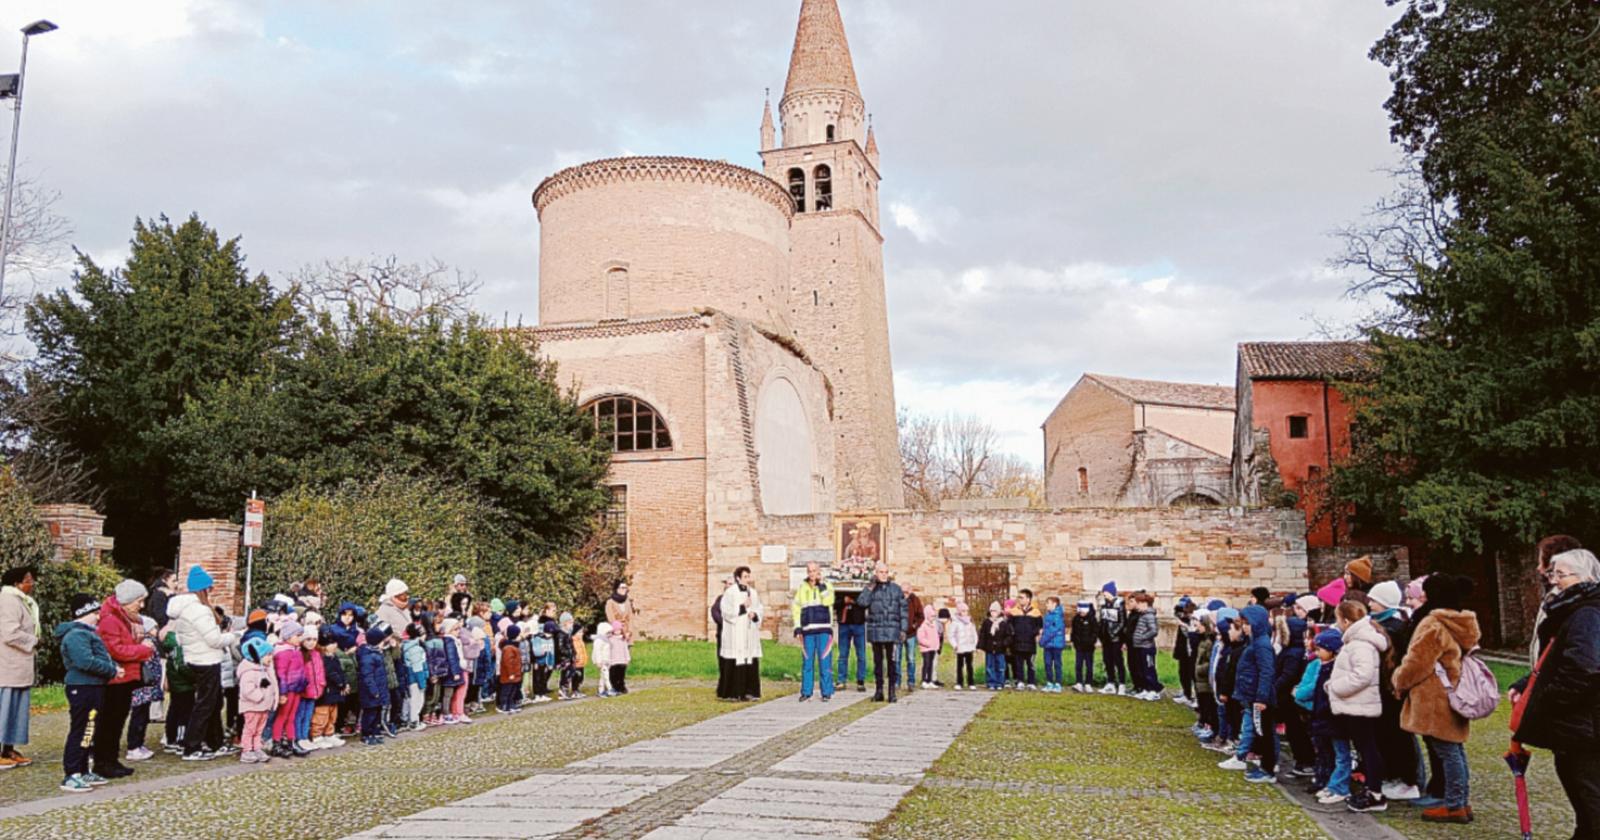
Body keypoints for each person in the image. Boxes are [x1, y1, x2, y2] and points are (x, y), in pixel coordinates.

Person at [1511, 548, 1600, 837]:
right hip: (1576, 725)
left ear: (1585, 577)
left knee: (1589, 798)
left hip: (1584, 726)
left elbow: (1583, 668)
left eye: (1560, 574)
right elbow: (1555, 659)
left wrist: (1548, 699)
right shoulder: (1574, 612)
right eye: (1553, 574)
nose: (1553, 581)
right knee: (1583, 800)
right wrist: (1527, 684)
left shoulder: (1587, 613)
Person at [1390, 572, 1480, 824]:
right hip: (1452, 689)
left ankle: (1454, 804)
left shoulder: (1433, 623)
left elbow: (1418, 661)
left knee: (1447, 750)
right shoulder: (1459, 621)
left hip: (1434, 694)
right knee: (1454, 749)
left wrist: (1398, 680)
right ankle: (1459, 800)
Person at [168, 565, 237, 761]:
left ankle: (215, 742)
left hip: (195, 658)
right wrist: (233, 636)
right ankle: (192, 746)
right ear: (204, 589)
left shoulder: (185, 610)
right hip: (206, 660)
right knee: (205, 705)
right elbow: (214, 640)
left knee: (212, 703)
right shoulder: (199, 611)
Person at [1328, 599, 1390, 812]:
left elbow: (1362, 675)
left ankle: (1375, 793)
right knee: (1365, 747)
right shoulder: (1356, 641)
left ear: (1346, 621)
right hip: (1356, 704)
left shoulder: (1360, 644)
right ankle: (1372, 789)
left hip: (1360, 704)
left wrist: (1336, 687)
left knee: (1368, 748)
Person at [90, 579, 154, 780]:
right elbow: (115, 650)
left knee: (116, 722)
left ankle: (111, 759)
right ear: (127, 600)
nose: (141, 606)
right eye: (139, 601)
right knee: (110, 722)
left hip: (125, 677)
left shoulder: (122, 617)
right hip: (115, 679)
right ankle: (104, 762)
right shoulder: (111, 619)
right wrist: (143, 650)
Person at [56, 593, 119, 792]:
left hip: (93, 686)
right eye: (95, 613)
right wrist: (112, 670)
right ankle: (71, 774)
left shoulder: (87, 633)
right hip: (83, 688)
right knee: (81, 729)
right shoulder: (76, 635)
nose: (99, 617)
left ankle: (83, 770)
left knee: (89, 729)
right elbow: (85, 661)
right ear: (83, 613)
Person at [0, 566, 40, 770]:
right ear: (16, 583)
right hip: (8, 665)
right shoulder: (8, 600)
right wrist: (34, 641)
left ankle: (8, 749)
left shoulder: (21, 601)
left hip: (19, 665)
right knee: (5, 709)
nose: (31, 584)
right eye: (27, 580)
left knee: (16, 710)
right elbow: (10, 633)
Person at [854, 561, 908, 702]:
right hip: (876, 629)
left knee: (892, 663)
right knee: (878, 663)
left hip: (892, 631)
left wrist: (903, 629)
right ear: (876, 573)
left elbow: (903, 610)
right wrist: (870, 588)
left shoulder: (896, 589)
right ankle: (879, 691)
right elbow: (861, 602)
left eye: (885, 572)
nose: (884, 575)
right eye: (881, 572)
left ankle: (892, 692)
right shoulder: (871, 588)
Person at [791, 562, 836, 702]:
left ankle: (826, 692)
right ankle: (806, 692)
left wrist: (821, 586)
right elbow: (796, 608)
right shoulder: (802, 588)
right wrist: (797, 626)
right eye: (809, 571)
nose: (812, 574)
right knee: (807, 662)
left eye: (814, 571)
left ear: (819, 571)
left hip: (824, 629)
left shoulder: (827, 585)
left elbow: (829, 601)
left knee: (825, 662)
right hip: (807, 631)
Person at [717, 567, 763, 701]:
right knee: (735, 660)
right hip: (735, 633)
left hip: (749, 632)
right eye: (745, 577)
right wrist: (742, 607)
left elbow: (759, 608)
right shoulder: (730, 593)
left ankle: (750, 692)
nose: (748, 579)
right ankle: (734, 693)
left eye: (749, 576)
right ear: (738, 578)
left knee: (749, 660)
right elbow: (726, 611)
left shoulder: (753, 592)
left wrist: (755, 614)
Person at [236, 636, 277, 763]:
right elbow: (247, 690)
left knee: (259, 730)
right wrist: (260, 696)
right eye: (268, 655)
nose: (271, 658)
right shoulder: (249, 672)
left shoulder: (264, 670)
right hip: (253, 707)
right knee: (250, 729)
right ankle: (247, 750)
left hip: (263, 707)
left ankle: (257, 747)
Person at [356, 622, 392, 745]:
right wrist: (374, 691)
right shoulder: (368, 657)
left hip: (379, 690)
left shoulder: (377, 654)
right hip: (371, 693)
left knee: (377, 713)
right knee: (369, 714)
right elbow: (368, 677)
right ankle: (366, 734)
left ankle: (375, 732)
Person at [1096, 583, 1128, 695]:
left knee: (1118, 661)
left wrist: (1114, 633)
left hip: (1115, 638)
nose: (1104, 594)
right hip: (1105, 638)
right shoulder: (1104, 605)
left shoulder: (1119, 604)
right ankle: (1110, 682)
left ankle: (1122, 684)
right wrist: (1101, 634)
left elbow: (1122, 622)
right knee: (1107, 660)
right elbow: (1102, 620)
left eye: (1106, 592)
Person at [1129, 592, 1161, 700]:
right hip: (1140, 646)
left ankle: (1154, 690)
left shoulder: (1149, 615)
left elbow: (1153, 631)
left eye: (1138, 603)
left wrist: (1142, 637)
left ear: (1144, 603)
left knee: (1149, 669)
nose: (1137, 606)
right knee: (1142, 669)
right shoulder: (1142, 615)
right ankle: (1146, 689)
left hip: (1147, 647)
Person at [1009, 589, 1042, 690]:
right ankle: (1020, 681)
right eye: (1018, 597)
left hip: (1030, 643)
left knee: (1030, 663)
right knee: (1018, 664)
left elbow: (1039, 626)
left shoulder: (1036, 612)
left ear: (1028, 599)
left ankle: (1031, 682)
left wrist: (1033, 633)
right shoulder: (1014, 611)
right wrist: (1013, 634)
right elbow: (1010, 625)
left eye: (1021, 597)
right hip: (1017, 642)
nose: (1019, 599)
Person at [836, 592, 867, 692]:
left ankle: (861, 681)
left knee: (861, 655)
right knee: (843, 654)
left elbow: (866, 602)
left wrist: (854, 601)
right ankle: (841, 680)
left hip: (859, 624)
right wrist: (843, 601)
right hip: (844, 624)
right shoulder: (840, 590)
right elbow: (833, 603)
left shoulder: (862, 589)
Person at [1172, 597, 1199, 707]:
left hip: (1192, 652)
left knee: (1193, 675)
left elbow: (1192, 634)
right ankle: (1186, 693)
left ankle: (1194, 697)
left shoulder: (1195, 620)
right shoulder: (1182, 617)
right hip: (1183, 650)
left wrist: (1184, 625)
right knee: (1183, 672)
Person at [978, 601, 1010, 691]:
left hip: (1000, 649)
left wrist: (1004, 643)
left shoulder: (1003, 623)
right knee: (990, 666)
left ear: (999, 612)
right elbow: (983, 635)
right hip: (989, 648)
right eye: (992, 611)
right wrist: (981, 646)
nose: (993, 613)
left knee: (1000, 666)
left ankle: (1000, 682)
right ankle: (991, 682)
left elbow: (1008, 635)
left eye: (995, 611)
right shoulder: (987, 622)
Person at [900, 584, 924, 691]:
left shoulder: (915, 600)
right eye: (903, 591)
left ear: (910, 591)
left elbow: (921, 616)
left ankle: (911, 682)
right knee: (896, 659)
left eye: (907, 591)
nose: (905, 593)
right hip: (898, 633)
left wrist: (914, 625)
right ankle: (897, 682)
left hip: (911, 634)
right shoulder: (897, 599)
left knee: (911, 658)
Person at [949, 601, 978, 690]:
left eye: (966, 611)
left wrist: (974, 644)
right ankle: (959, 682)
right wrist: (955, 645)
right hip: (960, 647)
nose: (965, 613)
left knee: (970, 665)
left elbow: (974, 634)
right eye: (963, 611)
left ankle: (971, 682)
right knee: (960, 665)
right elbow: (951, 635)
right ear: (959, 612)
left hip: (969, 646)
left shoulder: (970, 622)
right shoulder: (955, 622)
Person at [916, 604, 941, 690]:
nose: (933, 618)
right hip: (925, 649)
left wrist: (937, 645)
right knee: (926, 663)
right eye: (931, 616)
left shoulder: (934, 625)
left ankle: (930, 680)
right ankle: (924, 680)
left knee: (931, 664)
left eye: (934, 616)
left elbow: (936, 636)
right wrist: (928, 643)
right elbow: (920, 638)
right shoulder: (923, 625)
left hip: (933, 648)